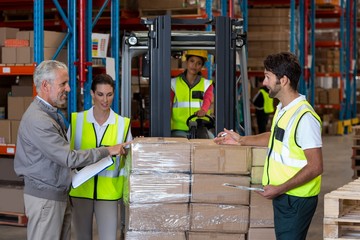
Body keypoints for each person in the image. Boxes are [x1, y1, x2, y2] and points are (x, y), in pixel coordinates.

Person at [14, 60, 128, 240]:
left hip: (60, 195)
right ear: (45, 85)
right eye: (63, 84)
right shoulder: (39, 120)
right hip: (48, 198)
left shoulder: (51, 115)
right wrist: (107, 150)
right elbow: (68, 157)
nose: (68, 89)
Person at [215, 52, 323, 240]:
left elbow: (316, 166)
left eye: (267, 77)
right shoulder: (283, 109)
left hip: (295, 198)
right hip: (284, 194)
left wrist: (280, 188)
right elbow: (274, 137)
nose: (264, 83)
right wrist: (240, 140)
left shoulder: (305, 118)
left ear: (284, 80)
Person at [68, 73, 132, 240]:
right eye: (100, 94)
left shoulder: (122, 124)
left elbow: (130, 162)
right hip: (81, 190)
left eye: (109, 95)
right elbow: (66, 156)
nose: (105, 100)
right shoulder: (77, 121)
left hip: (109, 194)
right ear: (92, 94)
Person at [170, 50, 214, 138]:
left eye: (199, 63)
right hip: (179, 128)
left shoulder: (207, 84)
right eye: (192, 61)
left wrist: (203, 110)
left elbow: (207, 99)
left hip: (200, 127)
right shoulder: (173, 83)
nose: (194, 65)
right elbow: (168, 103)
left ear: (202, 66)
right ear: (187, 62)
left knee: (213, 140)